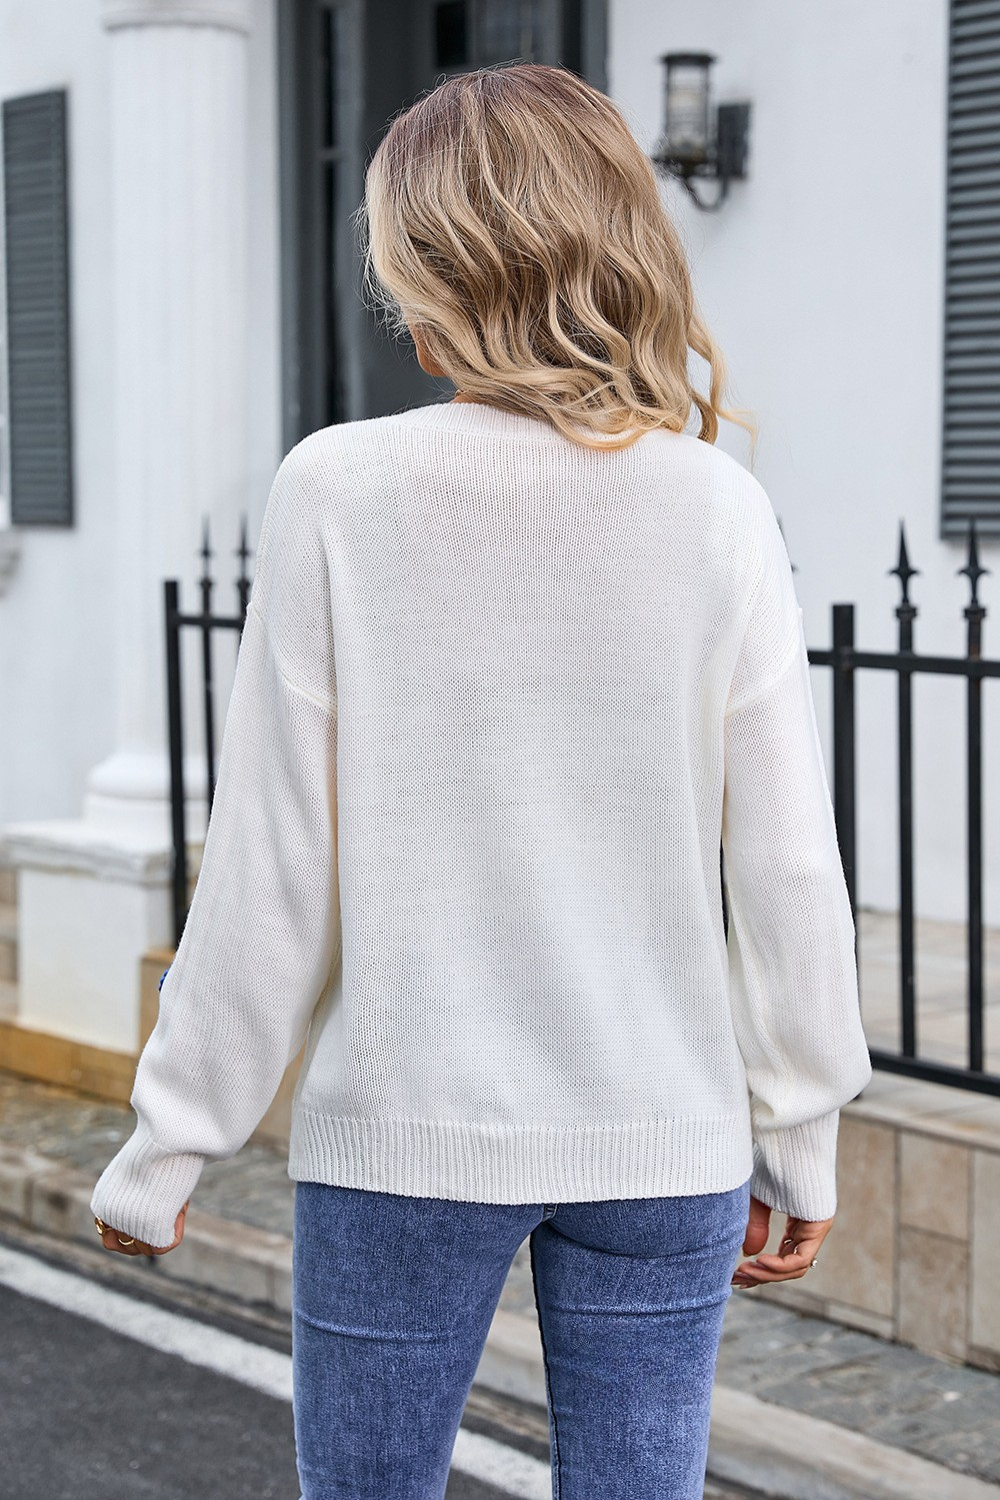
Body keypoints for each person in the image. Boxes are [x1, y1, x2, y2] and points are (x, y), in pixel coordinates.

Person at [91, 61, 873, 1500]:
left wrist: (172, 1137)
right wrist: (804, 1126)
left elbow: (273, 861)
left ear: (423, 266)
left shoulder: (338, 491)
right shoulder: (717, 507)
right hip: (664, 1134)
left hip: (403, 1134)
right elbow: (785, 862)